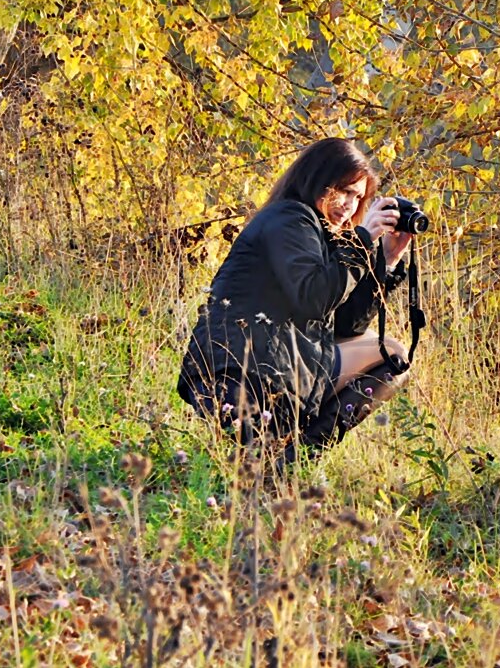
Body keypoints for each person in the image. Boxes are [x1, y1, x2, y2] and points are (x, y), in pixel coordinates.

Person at [177, 138, 413, 460]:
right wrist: (363, 240)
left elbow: (346, 326)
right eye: (344, 191)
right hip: (243, 372)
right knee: (393, 353)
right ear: (318, 180)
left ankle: (284, 455)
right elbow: (312, 298)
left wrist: (386, 261)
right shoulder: (290, 219)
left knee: (385, 349)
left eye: (358, 198)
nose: (350, 206)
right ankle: (294, 457)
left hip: (266, 370)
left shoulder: (318, 233)